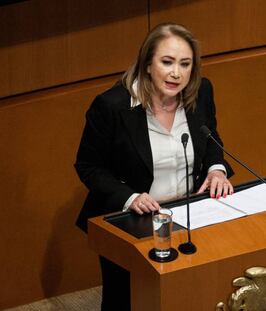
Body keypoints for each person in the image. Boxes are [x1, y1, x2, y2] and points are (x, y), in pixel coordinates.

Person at [74, 23, 234, 311]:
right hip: (133, 219)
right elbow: (88, 165)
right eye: (167, 62)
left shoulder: (201, 92)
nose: (177, 73)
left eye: (185, 64)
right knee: (129, 299)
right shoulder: (112, 106)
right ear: (147, 64)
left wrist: (216, 170)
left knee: (190, 292)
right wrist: (130, 197)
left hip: (191, 212)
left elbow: (210, 138)